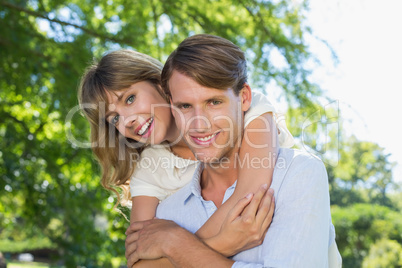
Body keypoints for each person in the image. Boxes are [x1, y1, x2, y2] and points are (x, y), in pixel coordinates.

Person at [125, 34, 342, 267]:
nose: (199, 124)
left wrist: (178, 245)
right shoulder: (168, 215)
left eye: (214, 102)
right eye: (185, 106)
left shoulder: (299, 174)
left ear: (245, 98)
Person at [78, 44, 294, 259]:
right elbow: (138, 261)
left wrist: (174, 246)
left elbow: (250, 197)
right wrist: (222, 244)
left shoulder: (243, 110)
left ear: (159, 84)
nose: (128, 120)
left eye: (130, 98)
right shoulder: (149, 169)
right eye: (114, 118)